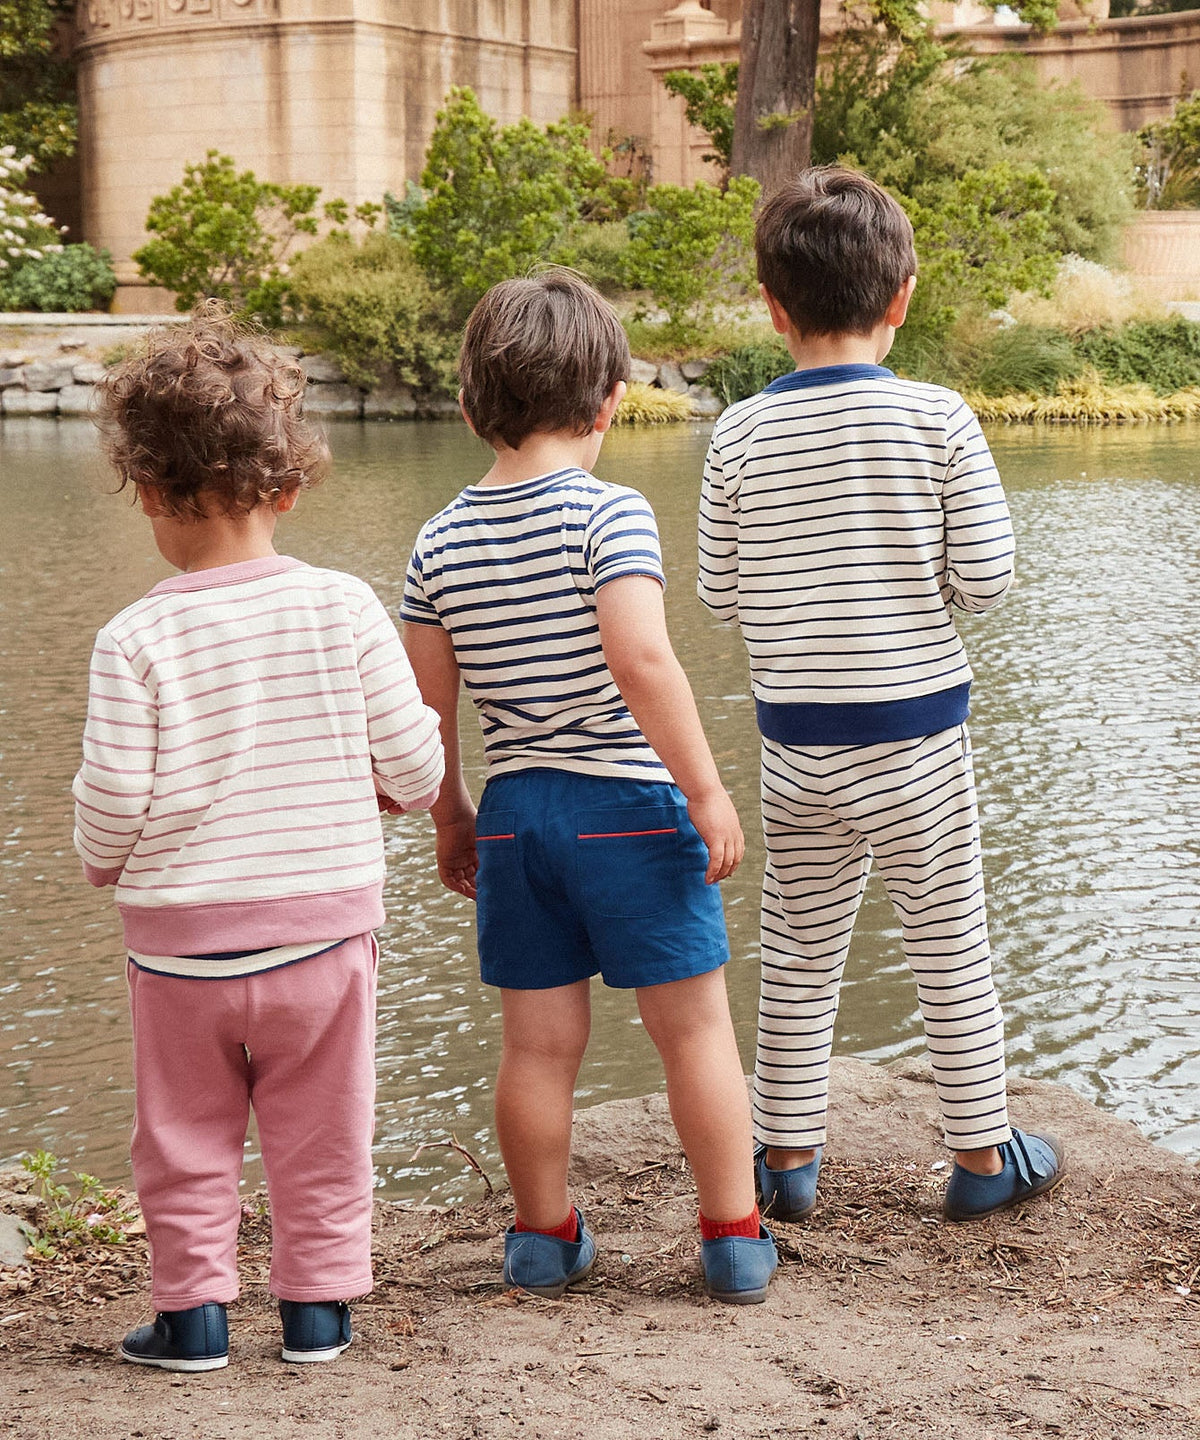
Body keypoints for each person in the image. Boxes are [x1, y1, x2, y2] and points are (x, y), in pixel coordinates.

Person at [73, 306, 444, 1371]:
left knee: (184, 1138)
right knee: (323, 1133)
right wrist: (378, 788)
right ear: (289, 487)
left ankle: (193, 1321)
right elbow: (418, 771)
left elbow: (111, 803)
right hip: (324, 941)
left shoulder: (134, 636)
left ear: (147, 492)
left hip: (179, 948)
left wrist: (109, 865)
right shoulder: (345, 608)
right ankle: (317, 1314)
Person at [400, 270, 778, 1304]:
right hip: (625, 807)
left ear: (473, 407)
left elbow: (427, 713)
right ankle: (733, 1238)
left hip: (518, 819)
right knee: (694, 1029)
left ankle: (541, 1236)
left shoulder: (438, 541)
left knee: (536, 1044)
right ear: (613, 399)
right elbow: (643, 661)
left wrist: (453, 815)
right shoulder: (611, 514)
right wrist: (704, 791)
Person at [698, 167, 1065, 1225]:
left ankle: (788, 1159)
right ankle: (983, 1160)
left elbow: (720, 593)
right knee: (949, 942)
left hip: (795, 746)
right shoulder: (939, 420)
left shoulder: (736, 434)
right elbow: (987, 582)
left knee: (801, 949)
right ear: (901, 296)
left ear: (774, 307)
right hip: (916, 742)